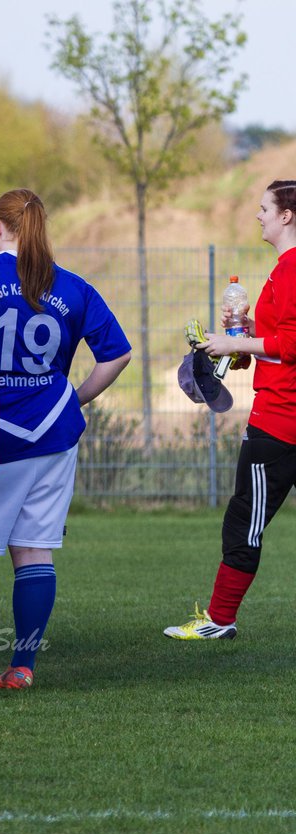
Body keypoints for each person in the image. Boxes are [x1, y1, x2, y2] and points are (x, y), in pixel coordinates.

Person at [0, 188, 130, 689]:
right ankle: (22, 665)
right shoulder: (71, 285)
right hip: (53, 432)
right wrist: (76, 398)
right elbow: (117, 355)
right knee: (34, 551)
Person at [164, 180, 296, 641]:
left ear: (286, 216)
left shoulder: (293, 268)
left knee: (245, 519)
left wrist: (238, 342)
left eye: (264, 208)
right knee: (246, 517)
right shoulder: (283, 269)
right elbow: (278, 340)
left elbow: (293, 344)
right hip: (279, 416)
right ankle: (220, 619)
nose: (258, 215)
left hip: (281, 421)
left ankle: (219, 621)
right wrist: (238, 340)